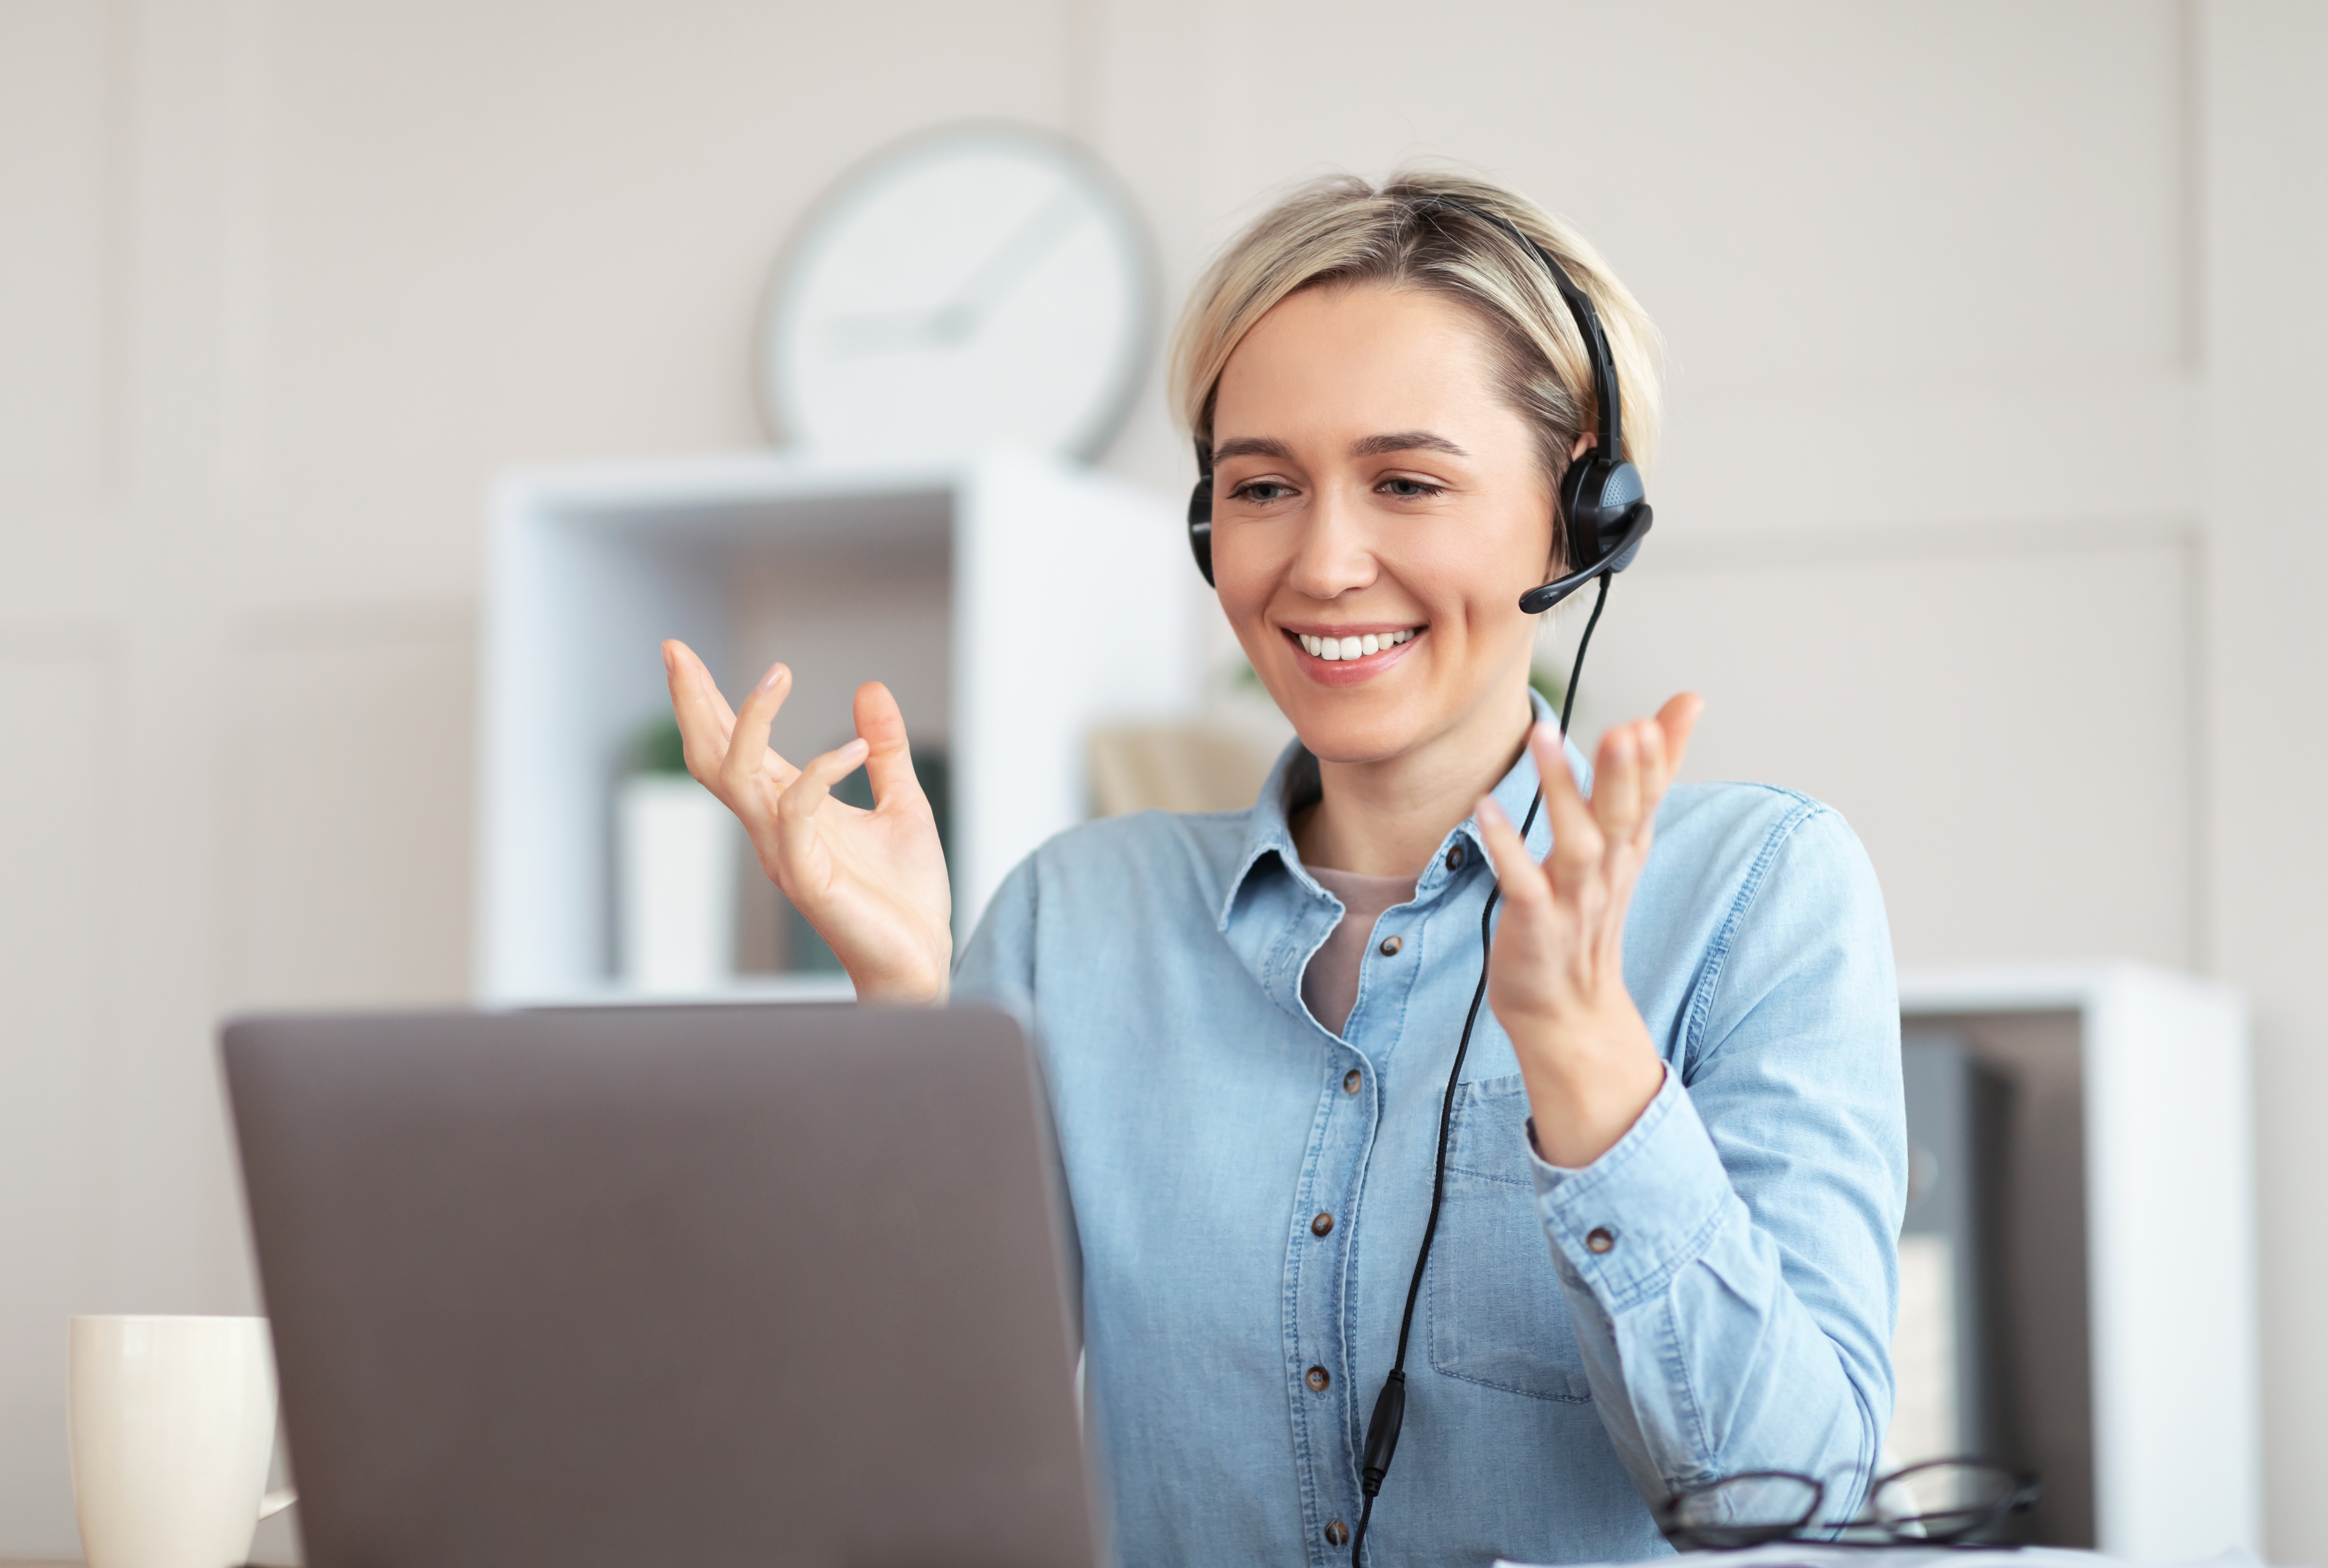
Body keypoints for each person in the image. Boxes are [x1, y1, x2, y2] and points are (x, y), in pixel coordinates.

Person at [660, 170, 1904, 1568]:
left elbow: (1790, 1513)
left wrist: (1588, 1073)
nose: (1319, 563)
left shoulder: (1756, 892)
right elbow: (905, 1457)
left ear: (1580, 512)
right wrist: (900, 1009)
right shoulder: (1078, 917)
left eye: (1407, 483)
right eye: (1261, 487)